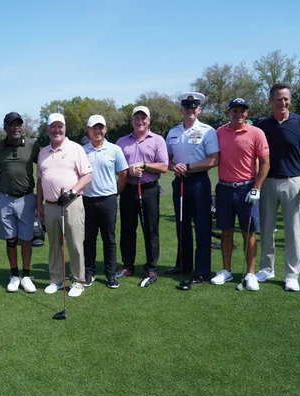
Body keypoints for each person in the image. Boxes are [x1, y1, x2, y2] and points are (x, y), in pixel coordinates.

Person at [255, 83, 300, 292]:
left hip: (293, 182)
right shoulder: (263, 125)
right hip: (267, 182)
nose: (283, 102)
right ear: (270, 101)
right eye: (279, 99)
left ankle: (292, 274)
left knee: (293, 231)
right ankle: (266, 268)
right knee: (266, 229)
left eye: (286, 99)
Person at [209, 98, 269, 290]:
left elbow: (265, 162)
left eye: (242, 110)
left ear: (247, 113)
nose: (238, 114)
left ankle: (250, 273)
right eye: (234, 110)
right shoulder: (219, 132)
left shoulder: (257, 133)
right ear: (228, 113)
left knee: (248, 232)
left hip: (247, 188)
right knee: (226, 232)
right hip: (224, 188)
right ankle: (226, 271)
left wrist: (257, 187)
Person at [165, 92, 219, 284]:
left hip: (198, 183)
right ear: (181, 110)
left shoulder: (208, 131)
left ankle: (202, 270)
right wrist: (175, 167)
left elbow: (213, 159)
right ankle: (183, 265)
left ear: (199, 110)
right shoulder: (172, 132)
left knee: (202, 227)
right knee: (182, 226)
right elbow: (168, 160)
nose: (190, 110)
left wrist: (188, 167)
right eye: (186, 108)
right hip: (179, 182)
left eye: (193, 107)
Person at [37, 113, 92, 297]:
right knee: (54, 245)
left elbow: (87, 175)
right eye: (53, 126)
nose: (56, 130)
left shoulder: (76, 148)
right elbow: (39, 180)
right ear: (48, 129)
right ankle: (56, 280)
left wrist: (72, 191)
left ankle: (78, 281)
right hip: (50, 205)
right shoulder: (43, 152)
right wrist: (40, 205)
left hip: (72, 204)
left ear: (65, 128)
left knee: (75, 244)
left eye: (60, 126)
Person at [115, 106, 168, 286]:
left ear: (149, 120)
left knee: (150, 229)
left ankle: (151, 266)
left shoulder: (158, 140)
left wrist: (144, 165)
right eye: (137, 118)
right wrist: (129, 169)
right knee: (128, 229)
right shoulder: (121, 142)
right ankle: (127, 265)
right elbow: (116, 167)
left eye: (143, 118)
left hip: (149, 190)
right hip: (128, 189)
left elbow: (163, 166)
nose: (140, 121)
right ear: (132, 121)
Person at [0, 112, 40, 293]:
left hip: (26, 198)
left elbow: (45, 165)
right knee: (10, 240)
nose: (16, 127)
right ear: (5, 127)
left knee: (26, 239)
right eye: (12, 124)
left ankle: (26, 275)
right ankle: (14, 275)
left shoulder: (32, 145)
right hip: (5, 199)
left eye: (19, 124)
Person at [82, 115, 128, 289]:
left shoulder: (114, 149)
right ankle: (89, 272)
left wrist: (115, 193)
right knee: (89, 239)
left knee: (109, 239)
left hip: (108, 199)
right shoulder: (82, 150)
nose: (97, 131)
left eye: (101, 127)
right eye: (94, 128)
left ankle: (110, 274)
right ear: (88, 130)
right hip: (87, 200)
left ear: (105, 129)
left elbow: (123, 174)